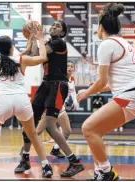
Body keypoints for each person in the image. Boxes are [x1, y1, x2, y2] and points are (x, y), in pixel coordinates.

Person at [0, 24, 53, 179]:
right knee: (33, 134)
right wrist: (39, 40)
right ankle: (46, 166)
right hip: (21, 100)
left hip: (3, 101)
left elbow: (13, 58)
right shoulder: (22, 60)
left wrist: (28, 45)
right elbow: (43, 58)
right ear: (12, 47)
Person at [77, 3, 135, 180]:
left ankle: (107, 172)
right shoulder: (124, 42)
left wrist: (86, 93)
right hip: (134, 94)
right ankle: (101, 171)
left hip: (130, 96)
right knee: (95, 131)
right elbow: (110, 83)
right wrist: (95, 88)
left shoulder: (107, 44)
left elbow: (101, 82)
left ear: (101, 27)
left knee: (88, 128)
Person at [15, 20, 84, 177]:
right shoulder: (48, 42)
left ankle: (74, 162)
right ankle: (25, 158)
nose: (54, 26)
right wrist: (32, 37)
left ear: (63, 33)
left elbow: (40, 54)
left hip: (58, 85)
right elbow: (33, 54)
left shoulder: (59, 43)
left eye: (58, 26)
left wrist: (38, 38)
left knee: (50, 126)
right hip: (46, 84)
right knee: (29, 121)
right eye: (53, 24)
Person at [36, 61, 78, 158]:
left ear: (73, 69)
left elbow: (73, 91)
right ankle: (25, 151)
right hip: (50, 107)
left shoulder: (72, 79)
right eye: (67, 66)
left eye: (71, 66)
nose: (69, 68)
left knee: (67, 131)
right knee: (37, 132)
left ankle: (55, 150)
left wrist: (75, 101)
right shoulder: (57, 77)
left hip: (60, 108)